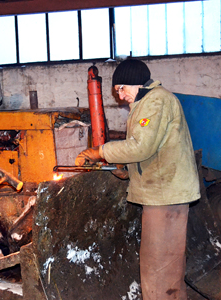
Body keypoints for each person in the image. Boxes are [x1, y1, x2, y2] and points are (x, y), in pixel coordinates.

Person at [75, 59, 200, 300]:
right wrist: (130, 171)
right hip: (165, 191)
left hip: (165, 194)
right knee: (167, 264)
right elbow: (156, 150)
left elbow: (142, 147)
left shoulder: (156, 101)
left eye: (121, 89)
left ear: (134, 82)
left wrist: (100, 151)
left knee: (158, 266)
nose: (120, 96)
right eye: (116, 91)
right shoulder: (149, 102)